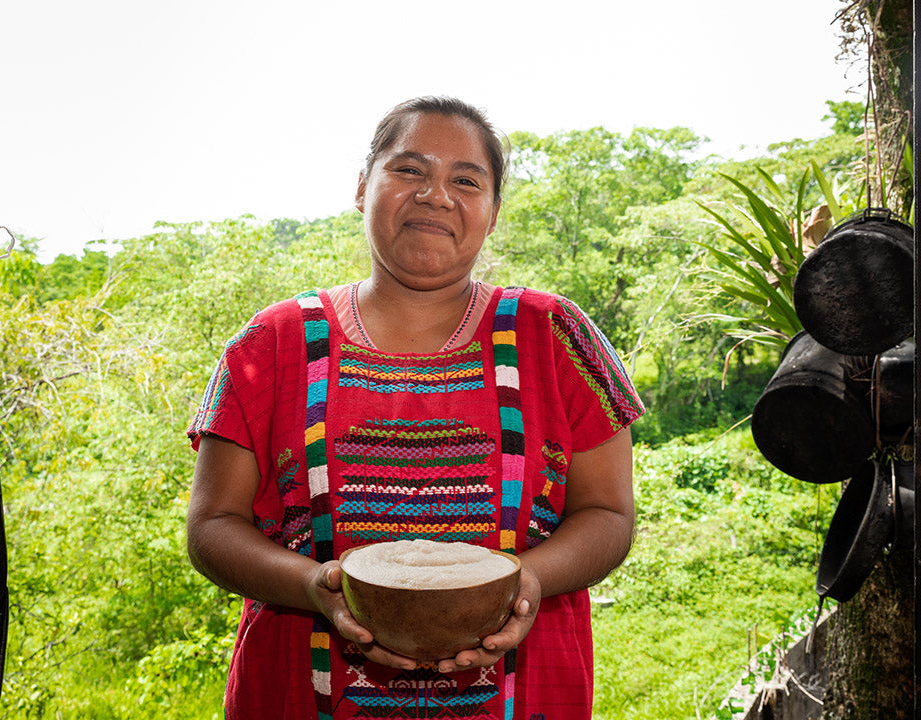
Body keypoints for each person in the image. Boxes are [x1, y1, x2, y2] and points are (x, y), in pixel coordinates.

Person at [186, 96, 644, 720]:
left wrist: (527, 580)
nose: (435, 195)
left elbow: (609, 514)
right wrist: (310, 588)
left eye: (465, 180)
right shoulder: (269, 344)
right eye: (408, 171)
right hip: (297, 692)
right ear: (361, 187)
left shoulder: (558, 336)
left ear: (493, 210)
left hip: (526, 691)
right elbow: (212, 527)